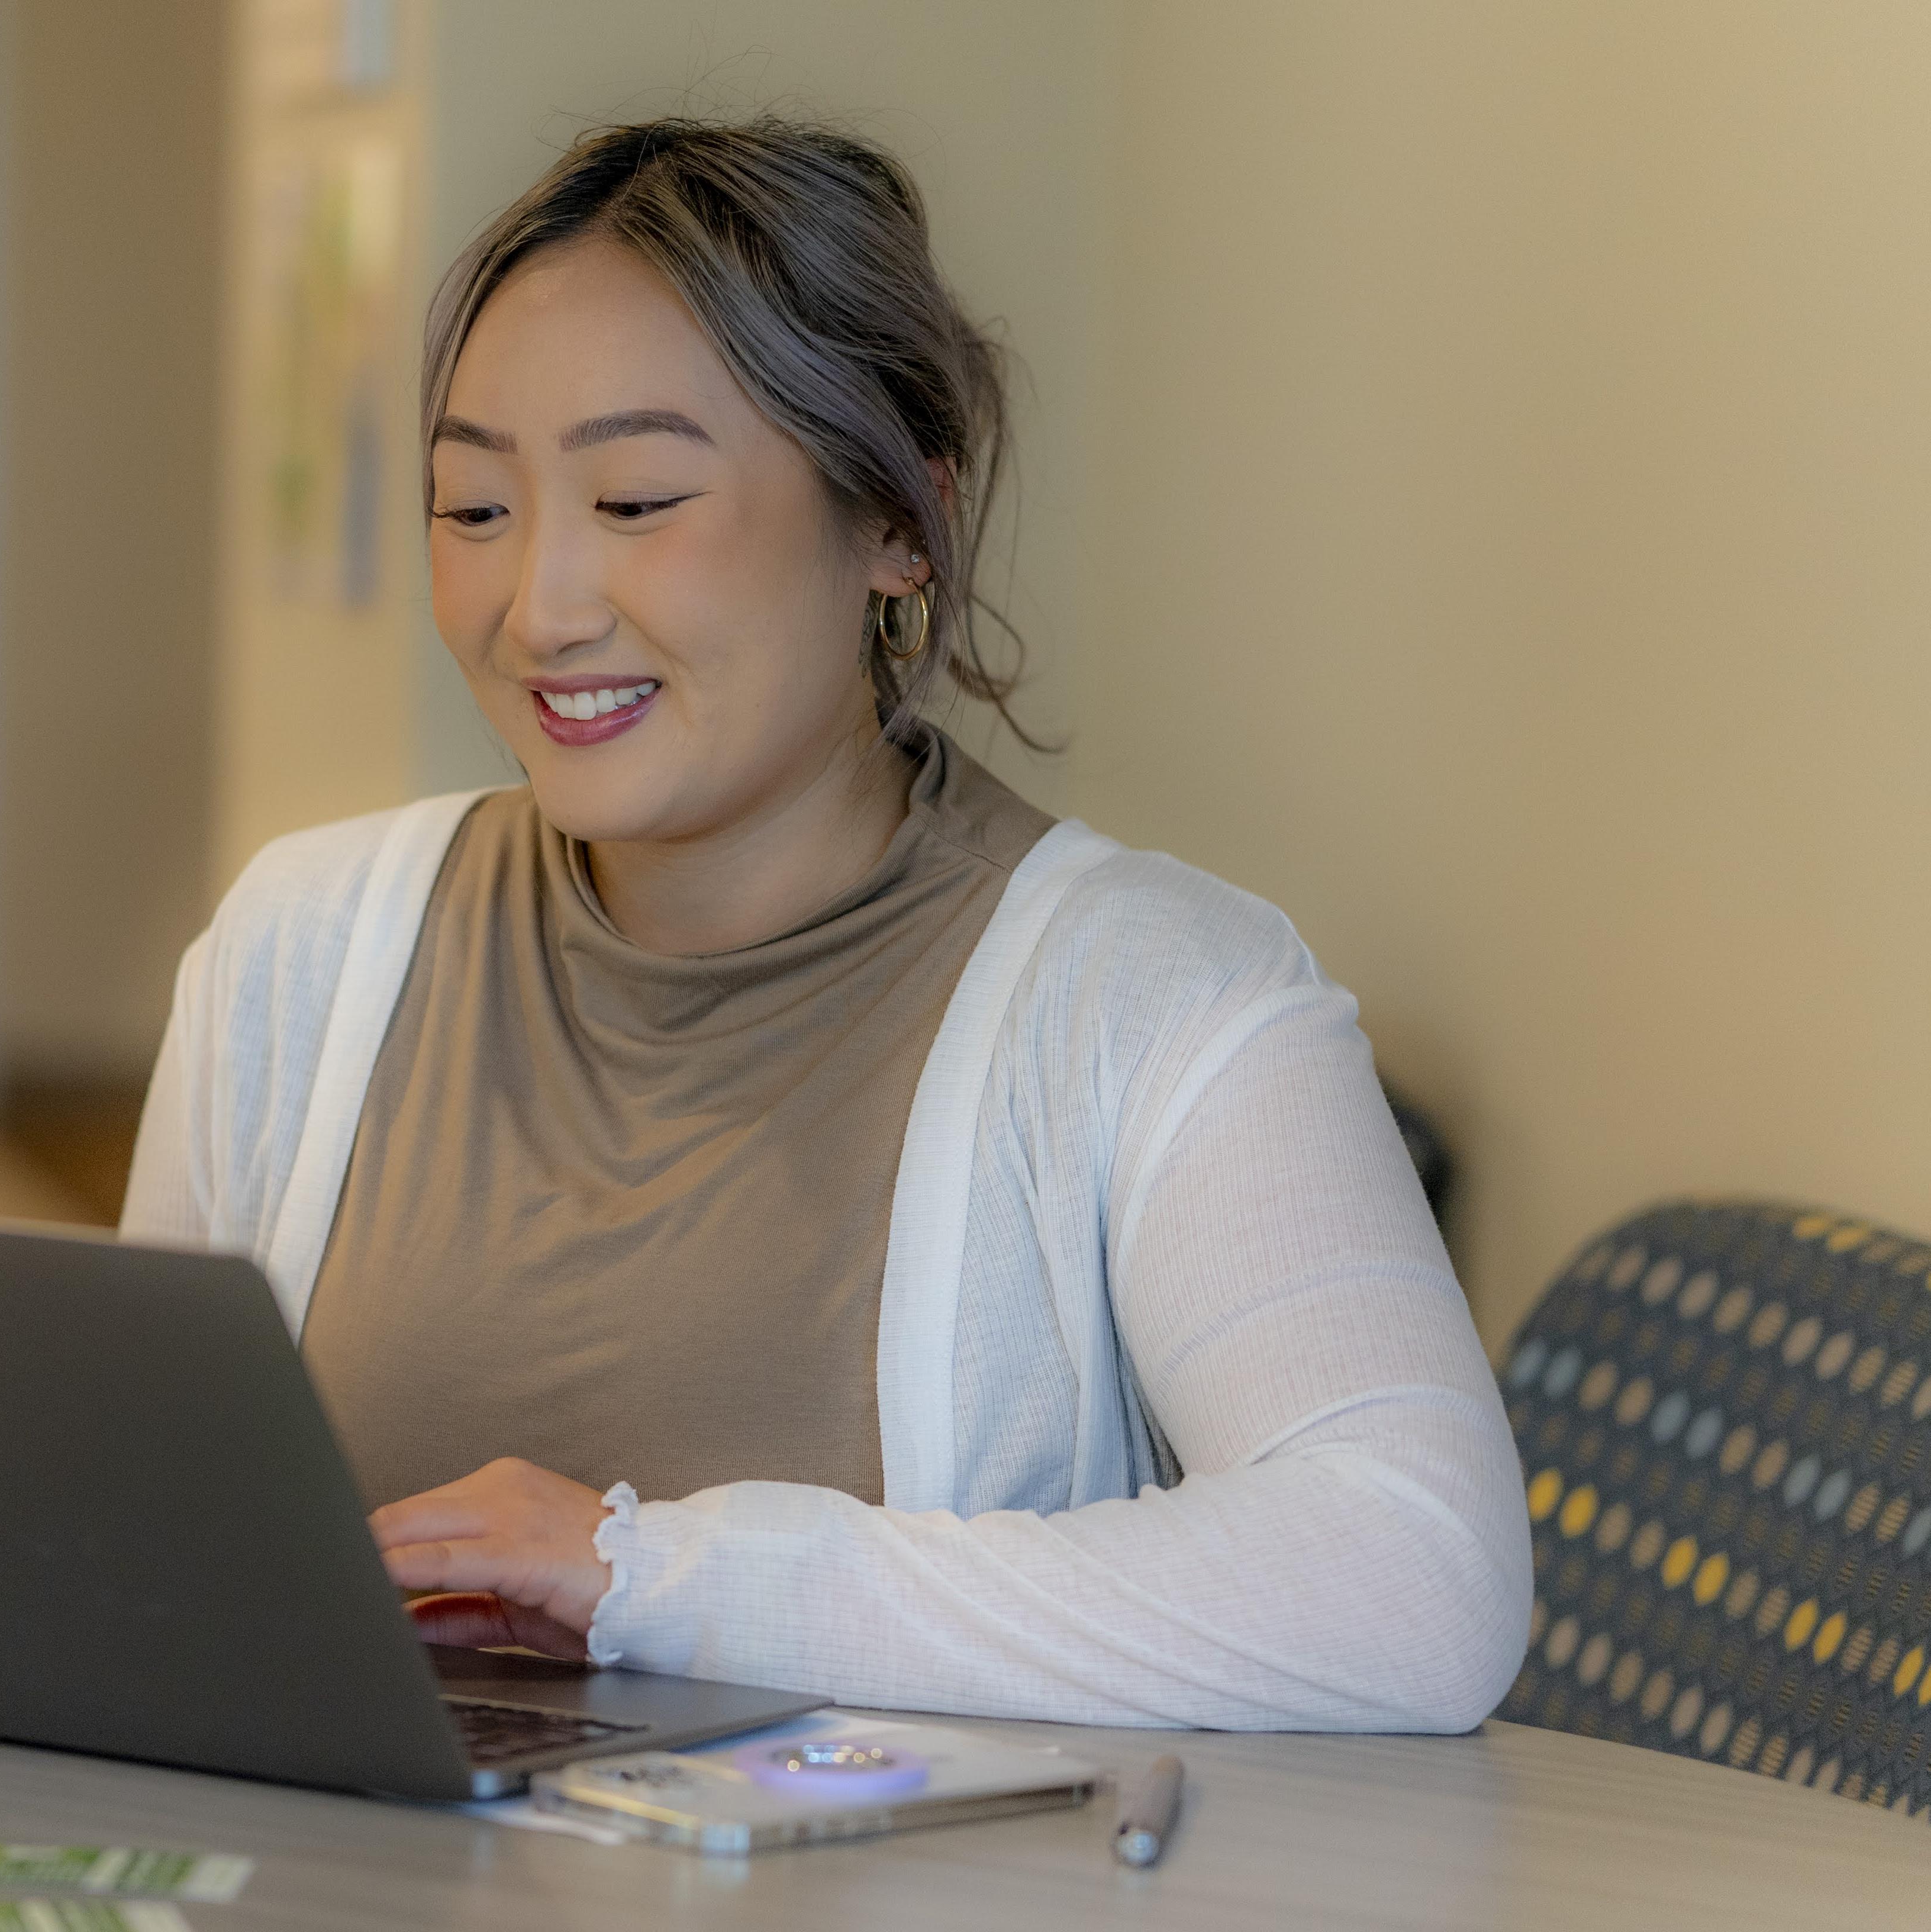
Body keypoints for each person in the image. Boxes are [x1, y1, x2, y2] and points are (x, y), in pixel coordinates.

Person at [122, 117, 1530, 1729]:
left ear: (894, 527)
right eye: (473, 510)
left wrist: (658, 1579)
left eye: (637, 500)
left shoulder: (1158, 996)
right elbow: (138, 1539)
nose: (540, 607)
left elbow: (1417, 1580)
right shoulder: (300, 949)